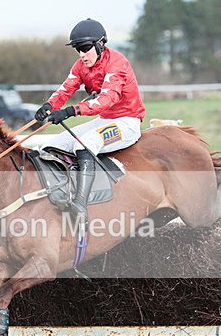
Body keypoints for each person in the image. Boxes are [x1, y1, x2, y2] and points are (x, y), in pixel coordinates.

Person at [35, 18, 146, 223]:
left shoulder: (117, 64)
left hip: (127, 122)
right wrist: (49, 106)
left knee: (84, 144)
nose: (81, 54)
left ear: (100, 44)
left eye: (85, 48)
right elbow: (65, 89)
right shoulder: (80, 66)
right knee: (52, 144)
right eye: (78, 49)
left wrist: (70, 111)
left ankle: (80, 204)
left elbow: (104, 101)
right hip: (105, 120)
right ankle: (61, 192)